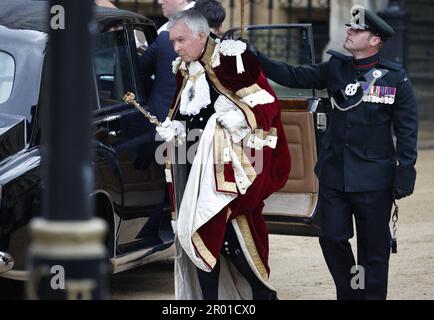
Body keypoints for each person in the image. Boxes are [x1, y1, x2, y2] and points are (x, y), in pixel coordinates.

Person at [250, 5, 418, 300]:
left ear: (375, 40)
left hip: (374, 179)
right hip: (334, 175)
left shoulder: (395, 79)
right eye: (350, 28)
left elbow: (407, 131)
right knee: (331, 238)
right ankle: (351, 291)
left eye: (357, 30)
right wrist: (256, 58)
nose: (349, 32)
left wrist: (405, 172)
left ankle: (368, 296)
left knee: (373, 251)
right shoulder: (336, 69)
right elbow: (293, 75)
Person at [155, 9, 291, 300]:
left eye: (180, 40)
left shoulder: (233, 58)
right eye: (173, 41)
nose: (176, 47)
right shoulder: (183, 66)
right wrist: (174, 126)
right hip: (194, 163)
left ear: (201, 36)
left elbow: (267, 105)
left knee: (225, 233)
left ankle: (262, 293)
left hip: (232, 168)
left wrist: (242, 117)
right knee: (197, 229)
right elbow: (184, 109)